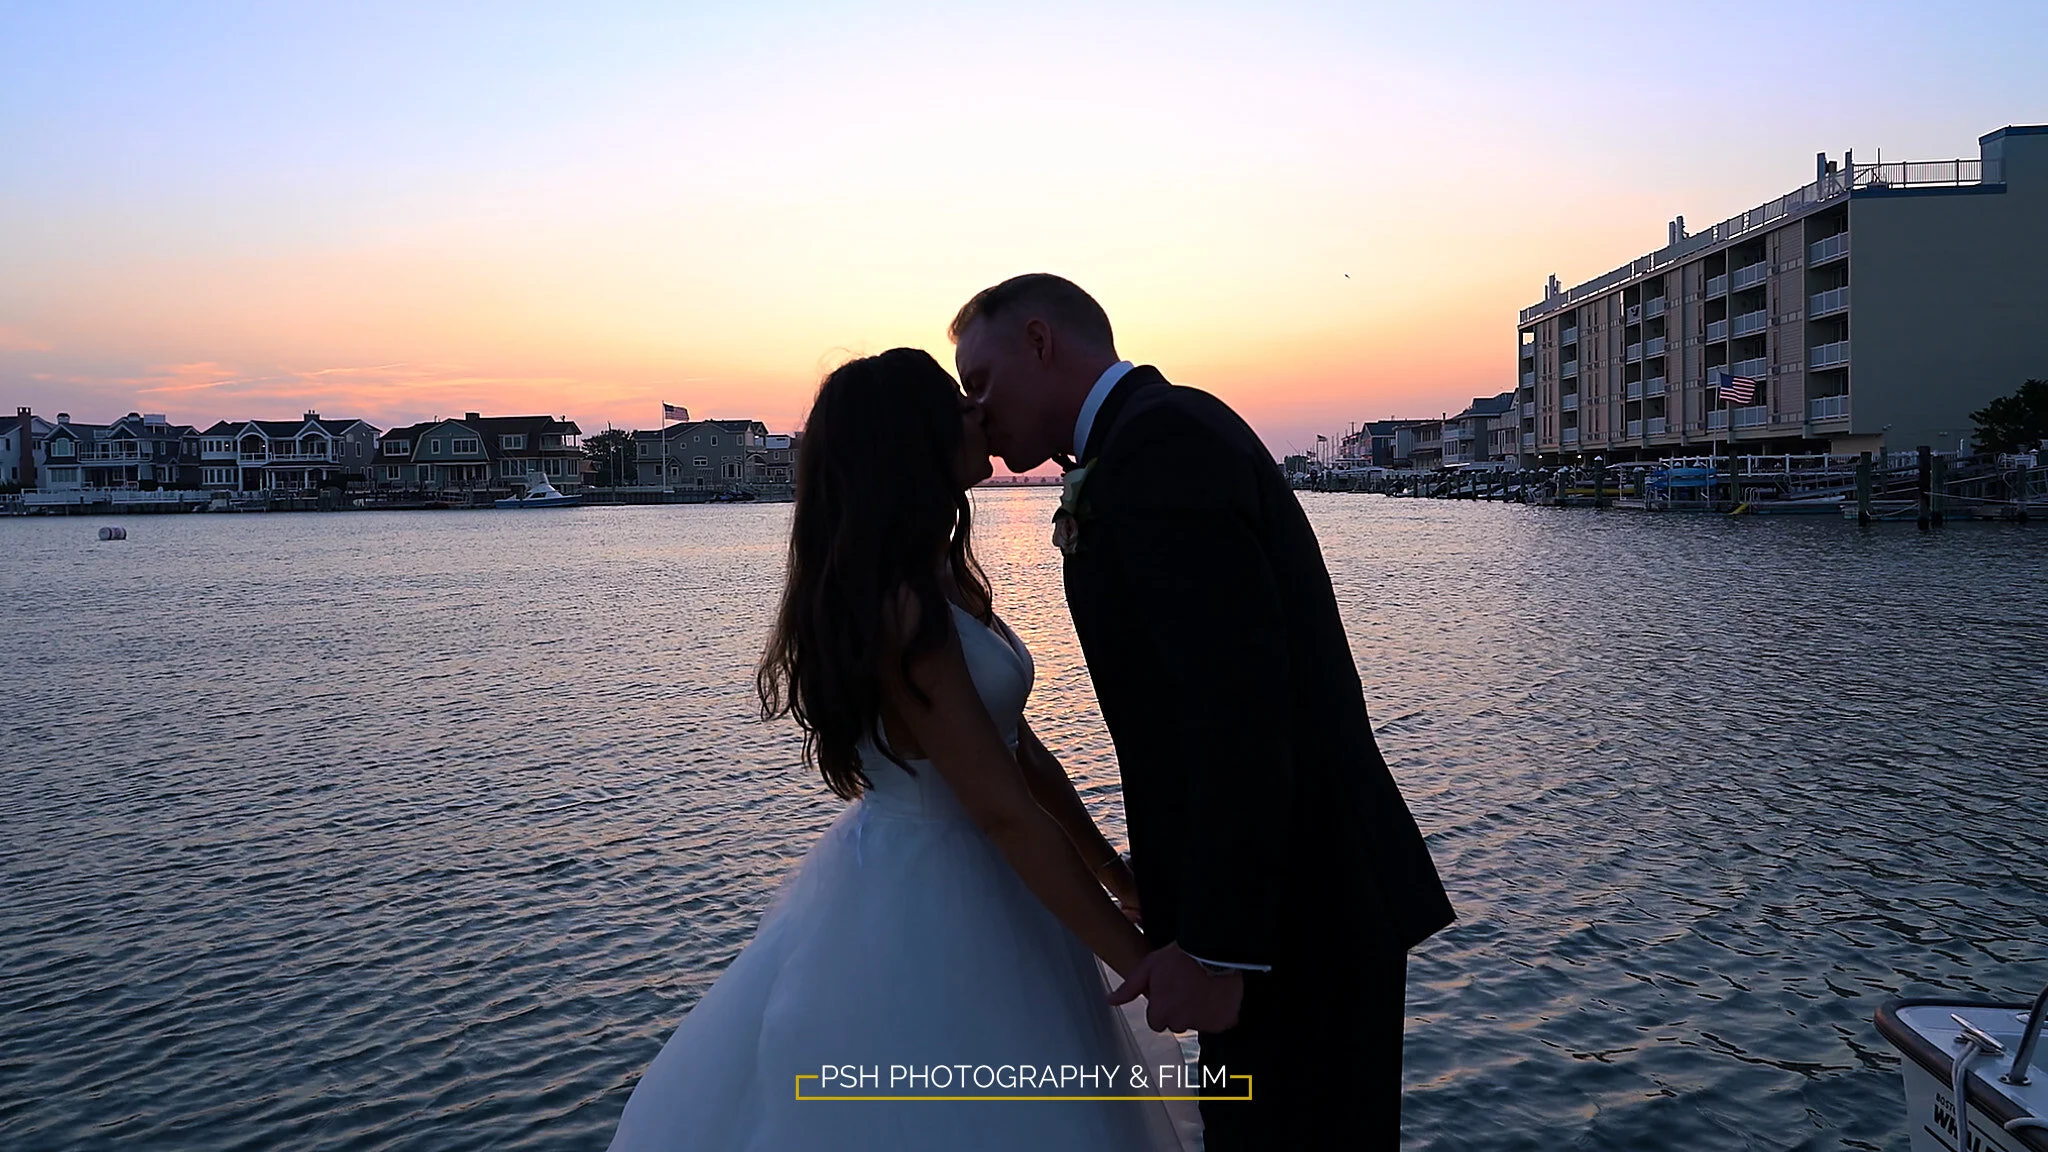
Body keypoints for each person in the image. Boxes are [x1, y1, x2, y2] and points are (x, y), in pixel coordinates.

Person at [605, 348, 1189, 1151]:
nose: (979, 411)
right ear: (910, 440)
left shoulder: (936, 576)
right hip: (940, 891)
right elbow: (1002, 812)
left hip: (989, 878)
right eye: (957, 402)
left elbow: (1017, 750)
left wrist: (1115, 874)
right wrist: (1144, 967)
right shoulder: (901, 607)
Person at [951, 274, 1455, 1149]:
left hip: (1298, 927)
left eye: (982, 382)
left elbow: (1237, 714)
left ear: (1041, 342)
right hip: (1282, 917)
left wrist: (1220, 950)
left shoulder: (1162, 445)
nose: (979, 411)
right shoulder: (1147, 439)